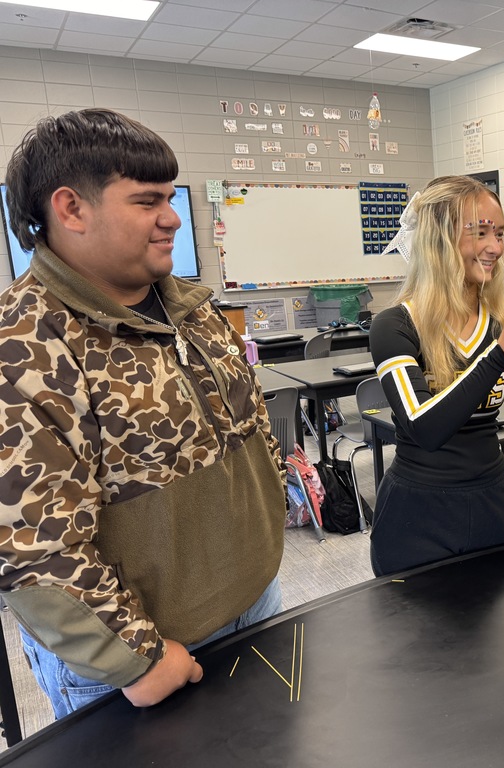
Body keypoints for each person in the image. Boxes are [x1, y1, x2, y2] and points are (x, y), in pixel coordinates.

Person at [0, 108, 286, 718]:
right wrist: (134, 658)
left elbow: (249, 427)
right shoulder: (22, 345)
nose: (172, 218)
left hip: (257, 601)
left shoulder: (190, 307)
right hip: (145, 660)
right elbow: (32, 547)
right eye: (147, 201)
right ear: (71, 209)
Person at [368, 175, 504, 576]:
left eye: (500, 234)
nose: (495, 247)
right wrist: (499, 354)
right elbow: (424, 429)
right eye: (481, 232)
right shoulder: (396, 325)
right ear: (439, 239)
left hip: (497, 504)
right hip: (418, 518)